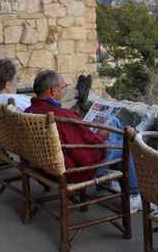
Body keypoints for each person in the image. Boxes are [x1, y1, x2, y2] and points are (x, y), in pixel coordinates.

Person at [26, 69, 142, 212]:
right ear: (54, 90)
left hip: (43, 168)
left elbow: (75, 141)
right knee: (124, 145)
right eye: (63, 87)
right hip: (71, 172)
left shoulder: (30, 111)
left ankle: (112, 176)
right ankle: (134, 194)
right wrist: (101, 134)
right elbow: (88, 153)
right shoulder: (59, 118)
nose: (64, 90)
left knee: (114, 124)